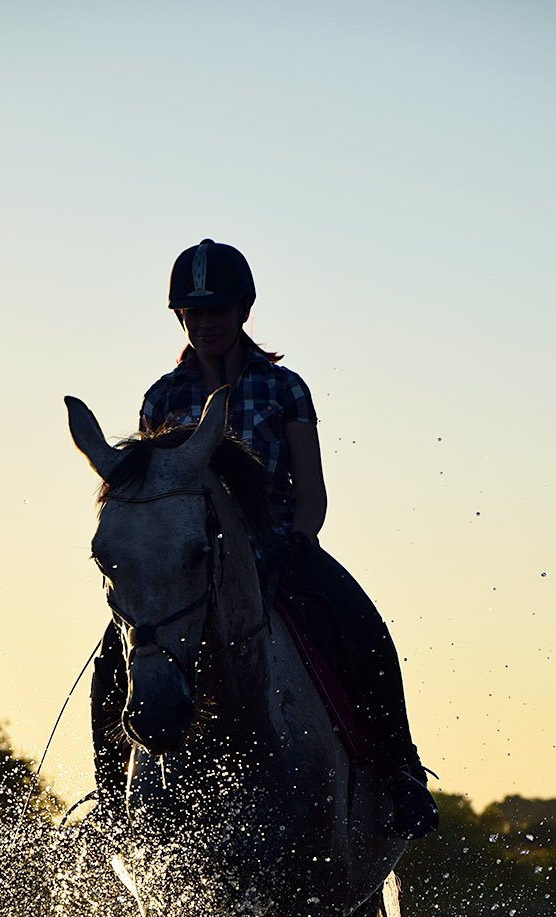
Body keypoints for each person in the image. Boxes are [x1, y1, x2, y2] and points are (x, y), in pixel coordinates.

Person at [90, 238, 438, 840]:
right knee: (110, 661)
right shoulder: (162, 398)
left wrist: (299, 538)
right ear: (180, 317)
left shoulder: (285, 389)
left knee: (363, 626)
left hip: (281, 554)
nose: (207, 323)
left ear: (244, 311)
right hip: (194, 567)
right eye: (194, 313)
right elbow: (152, 498)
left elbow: (312, 492)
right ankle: (109, 805)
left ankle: (400, 772)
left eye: (218, 310)